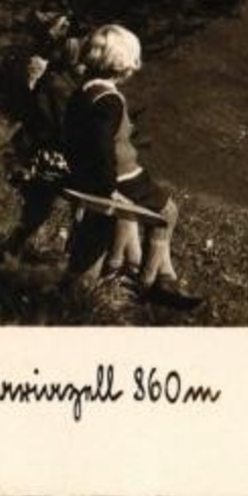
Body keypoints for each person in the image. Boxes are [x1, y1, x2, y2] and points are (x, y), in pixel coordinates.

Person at [63, 24, 201, 310]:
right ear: (123, 65)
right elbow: (101, 145)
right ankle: (151, 282)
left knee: (98, 230)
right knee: (167, 211)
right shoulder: (110, 100)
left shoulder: (83, 93)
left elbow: (75, 136)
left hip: (89, 173)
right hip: (121, 176)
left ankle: (146, 277)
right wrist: (106, 186)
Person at [3, 17, 81, 257]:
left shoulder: (56, 82)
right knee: (40, 208)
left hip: (35, 149)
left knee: (37, 211)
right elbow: (59, 129)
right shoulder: (60, 86)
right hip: (41, 155)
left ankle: (12, 248)